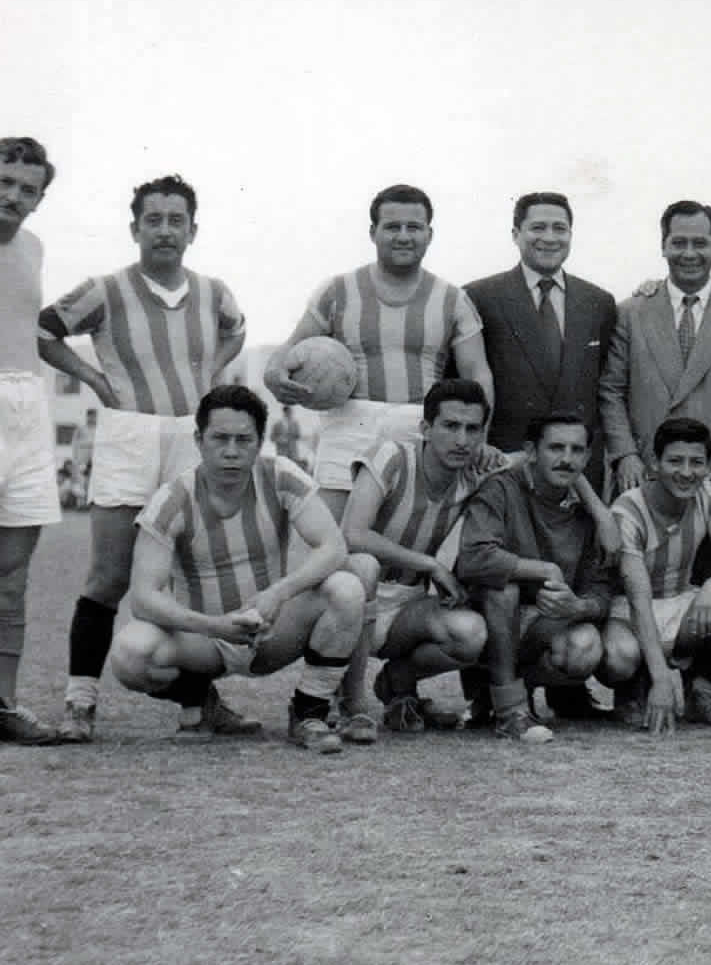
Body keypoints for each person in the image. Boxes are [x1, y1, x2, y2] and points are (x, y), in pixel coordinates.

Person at [36, 175, 250, 743]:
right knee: (109, 575)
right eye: (152, 220)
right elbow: (44, 331)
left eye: (175, 220)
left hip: (189, 434)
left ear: (192, 230)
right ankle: (79, 702)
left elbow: (237, 329)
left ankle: (197, 705)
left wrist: (211, 373)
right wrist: (91, 378)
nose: (164, 230)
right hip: (129, 433)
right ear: (135, 228)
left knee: (188, 577)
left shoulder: (213, 292)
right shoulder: (105, 289)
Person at [105, 385, 367, 754]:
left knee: (347, 587)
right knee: (130, 654)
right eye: (220, 438)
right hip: (205, 639)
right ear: (199, 440)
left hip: (273, 629)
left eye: (243, 440)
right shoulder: (173, 498)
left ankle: (310, 711)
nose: (231, 451)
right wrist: (213, 625)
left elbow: (333, 546)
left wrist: (279, 592)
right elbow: (144, 597)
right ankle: (200, 698)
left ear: (260, 441)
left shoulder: (280, 476)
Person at [266, 184, 492, 521]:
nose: (403, 236)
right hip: (347, 425)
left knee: (402, 546)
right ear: (373, 232)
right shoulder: (337, 290)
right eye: (392, 227)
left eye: (413, 227)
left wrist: (480, 438)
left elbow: (478, 373)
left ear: (429, 234)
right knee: (338, 548)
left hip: (417, 430)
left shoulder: (452, 298)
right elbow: (288, 350)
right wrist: (274, 375)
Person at [339, 379, 504, 735]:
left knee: (471, 633)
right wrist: (429, 563)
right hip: (353, 596)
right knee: (364, 567)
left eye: (472, 429)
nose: (462, 440)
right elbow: (352, 534)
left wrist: (597, 507)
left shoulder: (472, 473)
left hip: (404, 608)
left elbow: (539, 462)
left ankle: (398, 682)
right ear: (426, 428)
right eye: (450, 426)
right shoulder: (393, 456)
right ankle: (352, 703)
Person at [455, 412, 627, 742]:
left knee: (585, 646)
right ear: (532, 451)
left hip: (545, 624)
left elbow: (602, 592)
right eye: (556, 448)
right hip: (488, 620)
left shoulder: (591, 514)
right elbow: (473, 557)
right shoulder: (501, 488)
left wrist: (578, 607)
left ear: (588, 457)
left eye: (577, 450)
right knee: (503, 588)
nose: (566, 459)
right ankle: (509, 708)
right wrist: (544, 569)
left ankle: (500, 693)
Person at [601, 200, 711, 510]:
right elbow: (611, 390)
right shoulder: (631, 312)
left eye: (700, 243)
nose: (689, 254)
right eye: (679, 242)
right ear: (663, 246)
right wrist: (625, 455)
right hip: (643, 476)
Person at [610, 416, 711, 733]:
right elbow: (638, 599)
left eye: (696, 462)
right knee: (619, 656)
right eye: (675, 461)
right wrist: (663, 680)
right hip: (631, 612)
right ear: (654, 462)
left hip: (678, 599)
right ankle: (633, 692)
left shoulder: (707, 496)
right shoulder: (628, 509)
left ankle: (702, 691)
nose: (686, 473)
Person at [464, 191, 618, 481]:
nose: (549, 238)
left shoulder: (599, 302)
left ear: (571, 234)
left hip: (578, 469)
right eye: (538, 227)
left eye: (559, 228)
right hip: (503, 465)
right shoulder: (479, 297)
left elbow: (609, 385)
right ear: (516, 234)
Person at [0, 137, 61, 742]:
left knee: (12, 574)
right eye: (5, 181)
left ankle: (3, 704)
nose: (12, 197)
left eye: (26, 190)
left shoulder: (34, 247)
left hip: (25, 407)